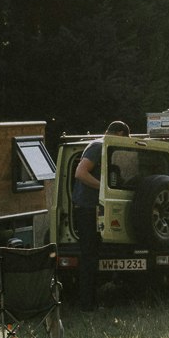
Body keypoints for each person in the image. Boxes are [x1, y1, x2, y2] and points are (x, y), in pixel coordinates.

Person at [71, 120, 129, 308]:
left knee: (94, 255)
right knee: (89, 256)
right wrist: (104, 188)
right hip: (87, 209)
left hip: (94, 207)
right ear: (119, 133)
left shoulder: (101, 147)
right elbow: (80, 173)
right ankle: (87, 304)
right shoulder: (98, 146)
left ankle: (92, 301)